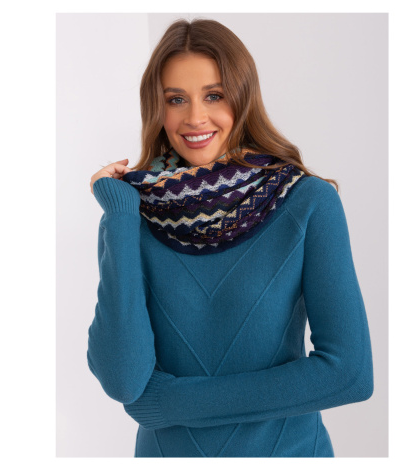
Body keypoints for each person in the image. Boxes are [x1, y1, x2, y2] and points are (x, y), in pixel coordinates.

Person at [87, 18, 374, 458]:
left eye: (214, 95)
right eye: (176, 99)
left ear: (243, 97)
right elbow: (124, 380)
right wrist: (120, 215)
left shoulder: (307, 201)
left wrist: (171, 403)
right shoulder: (131, 213)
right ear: (157, 109)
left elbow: (349, 373)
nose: (194, 117)